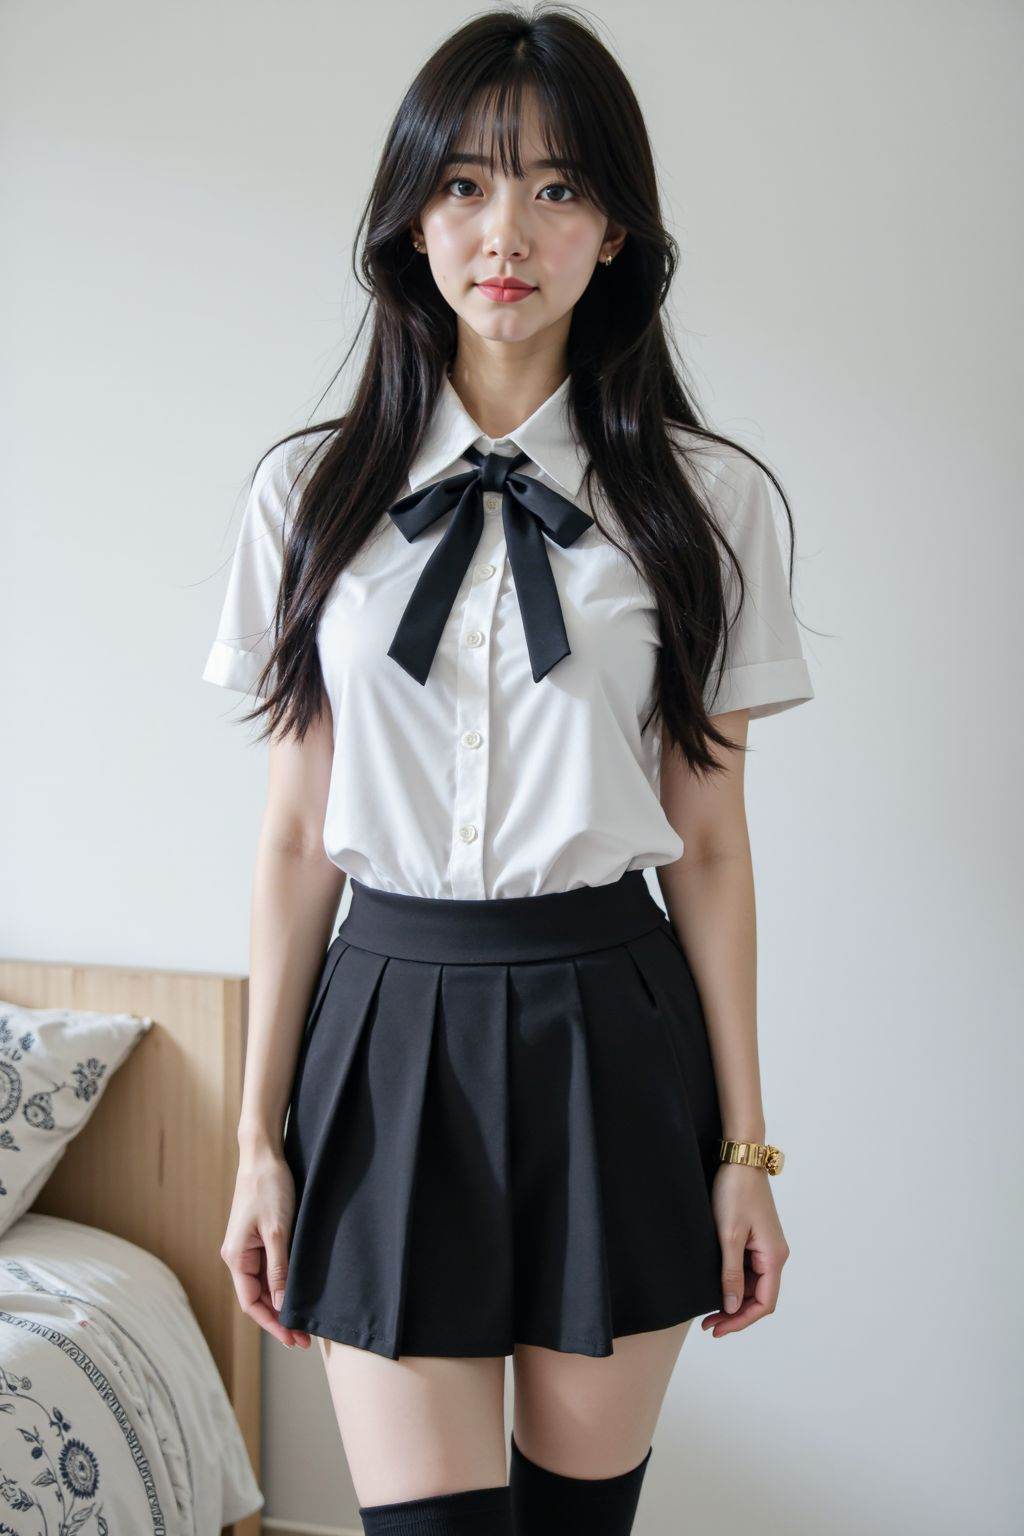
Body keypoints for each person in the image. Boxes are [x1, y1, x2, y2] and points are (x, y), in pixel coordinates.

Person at [205, 8, 815, 1534]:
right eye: (468, 184)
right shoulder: (307, 492)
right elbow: (295, 844)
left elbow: (714, 848)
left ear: (616, 232)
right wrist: (255, 1141)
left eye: (558, 188)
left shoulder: (709, 500)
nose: (508, 230)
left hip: (614, 1028)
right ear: (411, 217)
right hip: (385, 1026)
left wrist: (746, 1152)